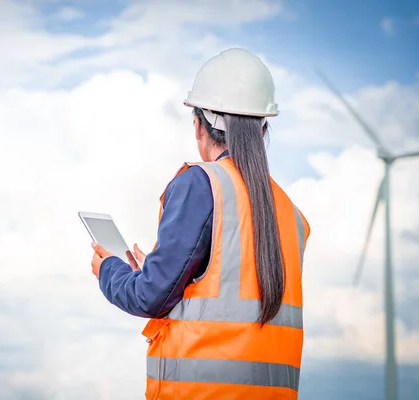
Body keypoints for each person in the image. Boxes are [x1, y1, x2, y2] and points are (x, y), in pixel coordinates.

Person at [90, 48, 310, 400]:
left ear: (199, 125)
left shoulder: (201, 184)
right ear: (263, 127)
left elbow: (149, 297)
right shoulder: (291, 213)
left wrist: (109, 270)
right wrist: (169, 273)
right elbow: (230, 294)